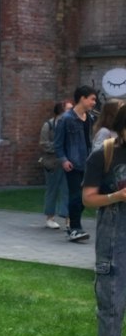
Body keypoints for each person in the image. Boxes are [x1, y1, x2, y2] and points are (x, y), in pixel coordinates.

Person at [82, 99, 126, 336]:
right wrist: (117, 197)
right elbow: (88, 199)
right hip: (114, 244)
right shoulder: (105, 154)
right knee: (110, 308)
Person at [53, 85, 98, 243]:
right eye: (92, 99)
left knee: (86, 197)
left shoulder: (91, 119)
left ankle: (73, 226)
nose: (94, 102)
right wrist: (64, 160)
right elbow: (57, 144)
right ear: (82, 98)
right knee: (75, 196)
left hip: (89, 163)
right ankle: (75, 228)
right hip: (73, 163)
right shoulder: (66, 119)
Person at [39, 102, 69, 231]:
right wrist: (58, 149)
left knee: (67, 190)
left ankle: (68, 218)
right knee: (52, 189)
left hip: (67, 162)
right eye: (68, 110)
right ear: (60, 112)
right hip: (52, 162)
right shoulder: (49, 125)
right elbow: (43, 143)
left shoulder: (70, 125)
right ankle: (50, 218)